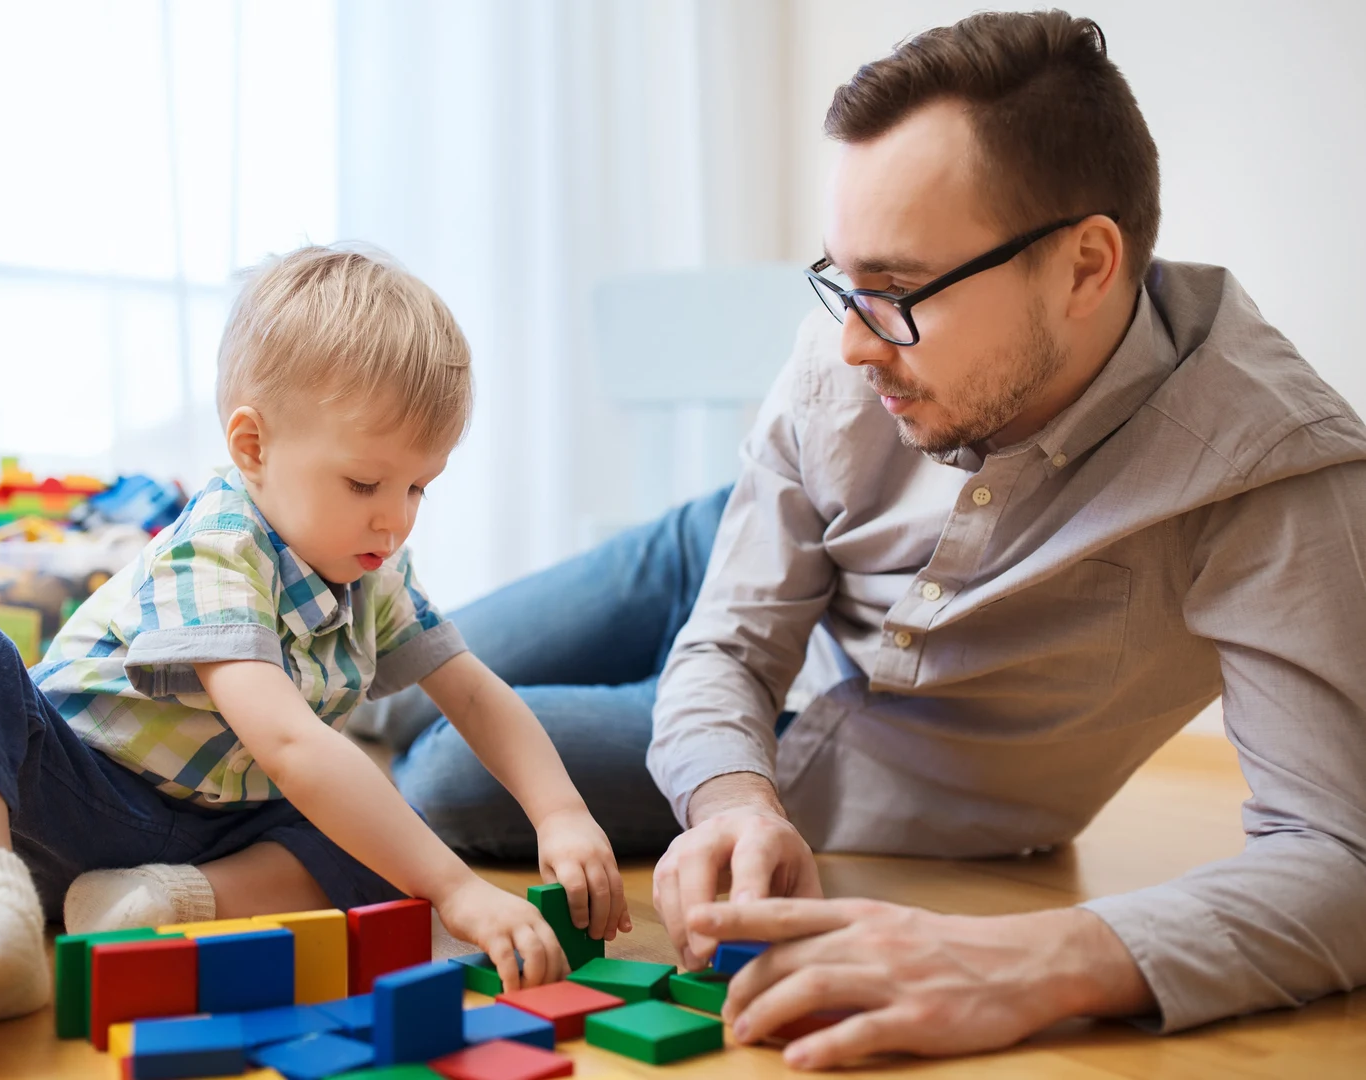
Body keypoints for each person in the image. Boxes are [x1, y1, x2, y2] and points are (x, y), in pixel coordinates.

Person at [368, 10, 1366, 1070]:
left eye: (893, 291)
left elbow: (1338, 855)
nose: (846, 341)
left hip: (876, 753)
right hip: (724, 551)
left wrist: (1042, 959)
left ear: (1084, 266)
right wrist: (727, 795)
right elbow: (730, 644)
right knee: (374, 676)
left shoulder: (1277, 473)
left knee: (443, 773)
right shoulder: (845, 359)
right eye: (843, 280)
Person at [0, 246, 629, 1024]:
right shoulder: (214, 551)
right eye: (365, 483)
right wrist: (457, 887)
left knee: (383, 840)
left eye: (417, 487)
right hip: (72, 795)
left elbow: (470, 688)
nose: (394, 517)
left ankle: (155, 906)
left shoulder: (374, 568)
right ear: (253, 447)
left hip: (220, 832)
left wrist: (560, 811)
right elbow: (290, 745)